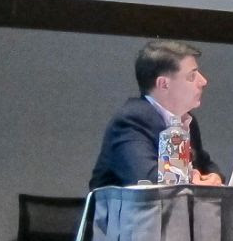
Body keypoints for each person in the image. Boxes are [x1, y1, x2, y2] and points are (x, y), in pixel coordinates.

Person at [89, 40, 223, 188]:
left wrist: (213, 177)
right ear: (164, 84)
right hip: (131, 210)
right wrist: (192, 177)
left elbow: (204, 163)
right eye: (191, 76)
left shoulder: (186, 120)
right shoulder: (131, 121)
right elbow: (146, 179)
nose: (203, 81)